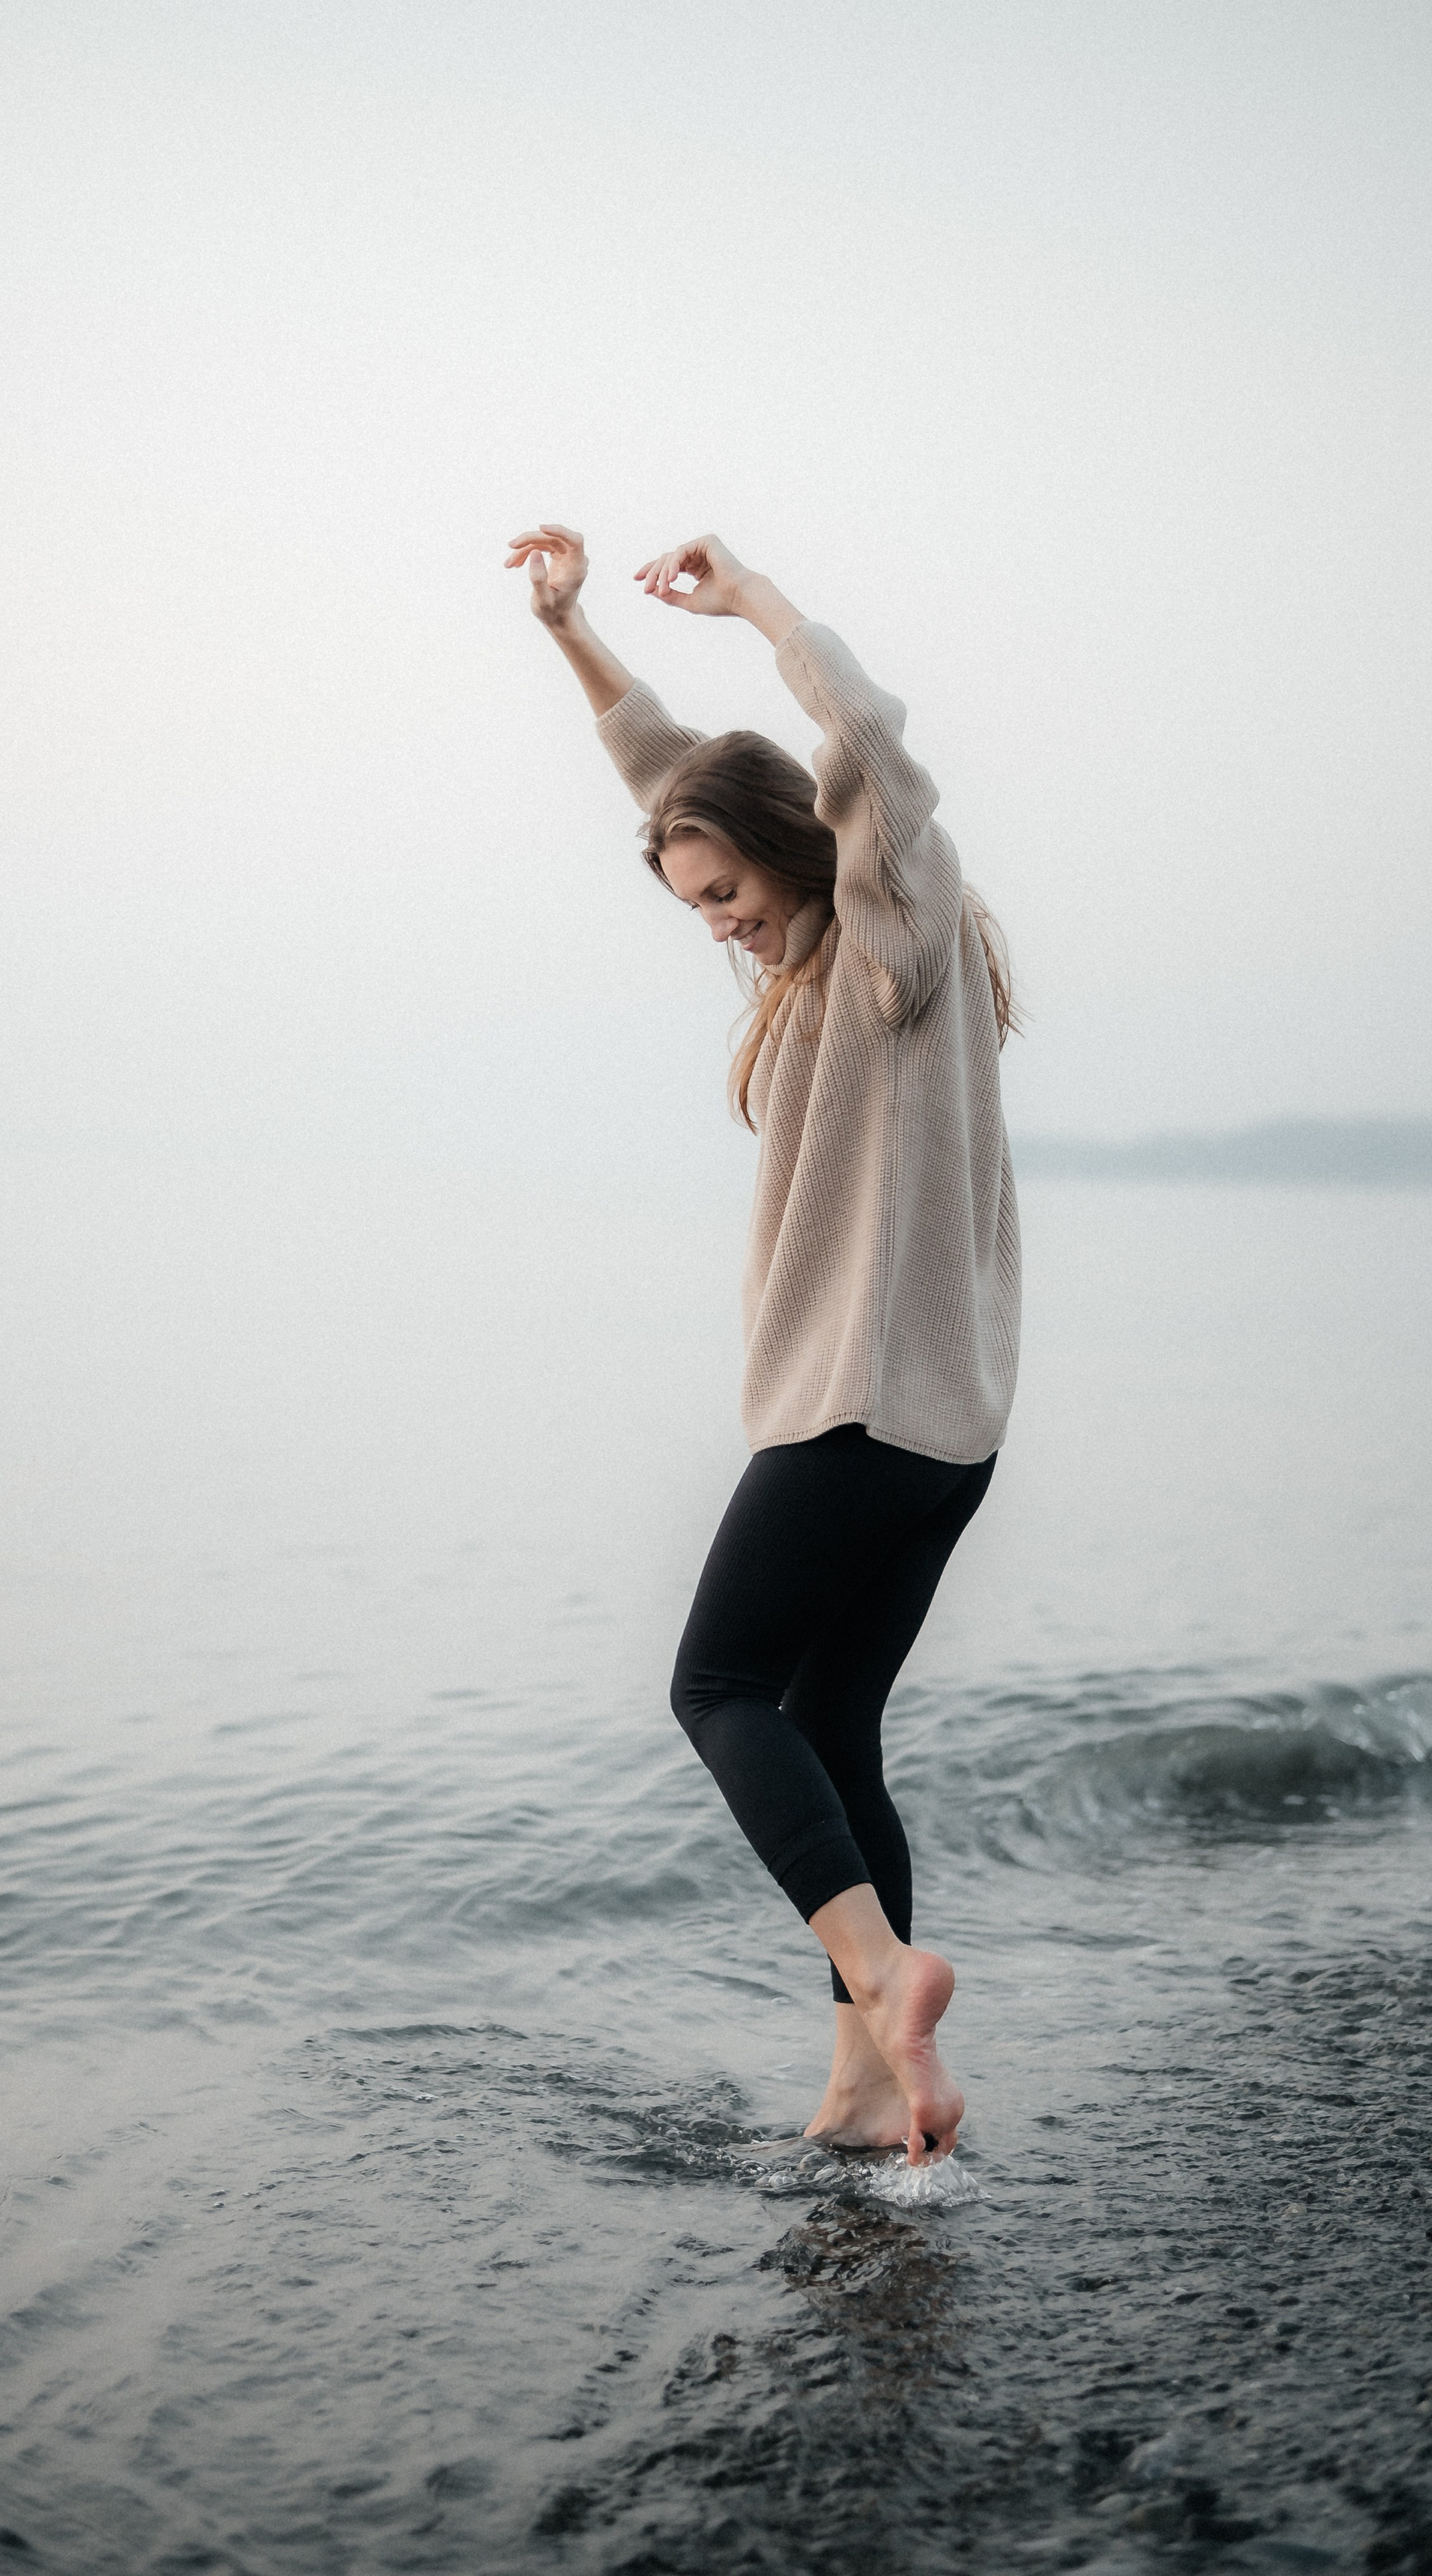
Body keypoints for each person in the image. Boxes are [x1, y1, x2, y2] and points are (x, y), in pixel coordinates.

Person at [505, 526, 1021, 2166]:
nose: (716, 924)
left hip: (856, 1410)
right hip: (938, 1430)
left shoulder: (890, 937)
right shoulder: (805, 955)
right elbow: (675, 777)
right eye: (694, 902)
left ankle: (883, 1972)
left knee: (716, 1686)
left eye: (726, 892)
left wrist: (755, 607)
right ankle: (870, 2083)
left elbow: (861, 747)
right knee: (828, 1716)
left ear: (797, 850)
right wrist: (572, 629)